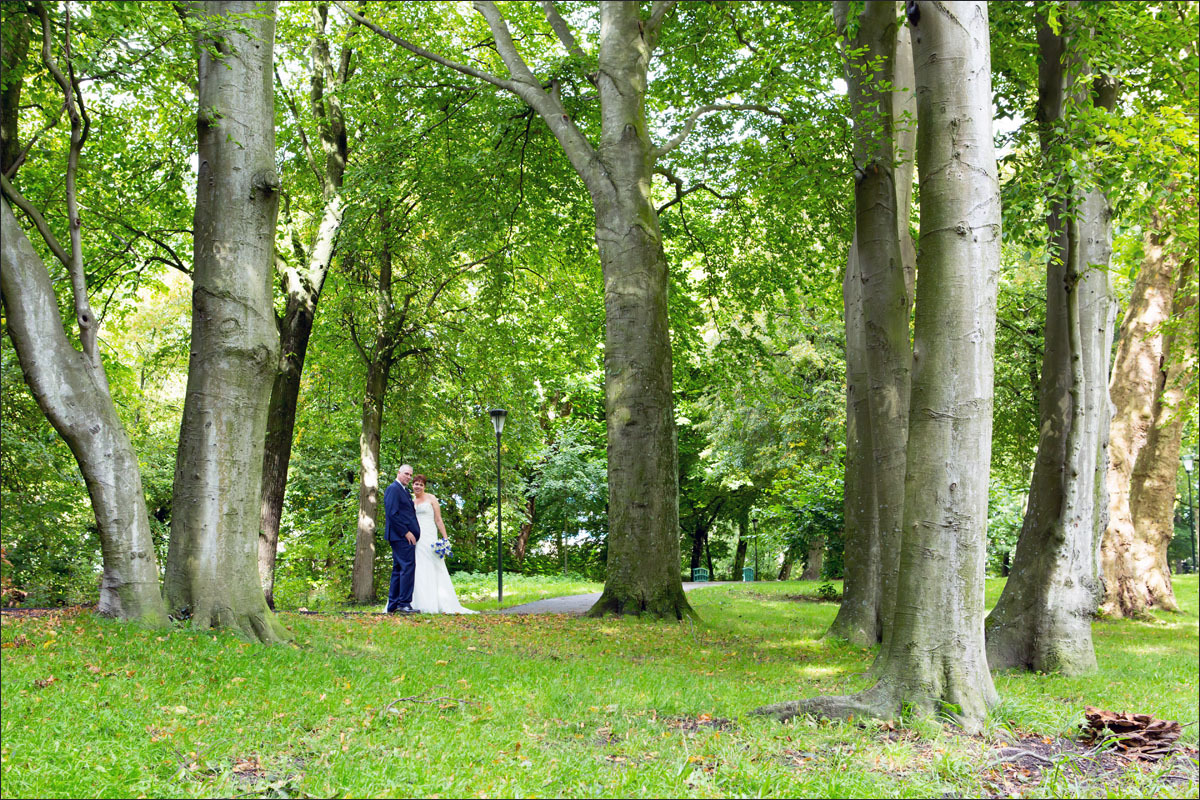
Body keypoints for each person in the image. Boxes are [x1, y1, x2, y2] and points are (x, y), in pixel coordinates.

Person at [410, 474, 477, 614]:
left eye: (421, 484)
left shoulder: (431, 498)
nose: (418, 486)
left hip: (429, 536)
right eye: (416, 484)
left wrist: (445, 538)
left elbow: (438, 519)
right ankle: (417, 601)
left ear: (424, 486)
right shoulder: (411, 500)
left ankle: (438, 601)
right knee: (418, 566)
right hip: (416, 537)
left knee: (434, 565)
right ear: (412, 485)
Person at [384, 464, 421, 613]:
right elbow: (392, 514)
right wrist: (406, 532)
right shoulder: (393, 489)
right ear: (399, 473)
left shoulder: (404, 491)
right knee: (407, 568)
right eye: (406, 474)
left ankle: (393, 605)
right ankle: (404, 604)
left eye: (410, 475)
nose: (409, 477)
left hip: (402, 537)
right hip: (400, 536)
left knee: (399, 569)